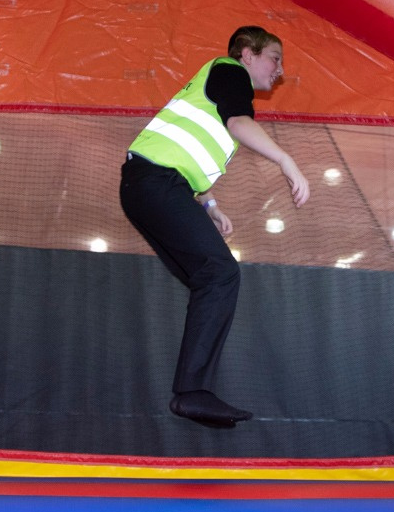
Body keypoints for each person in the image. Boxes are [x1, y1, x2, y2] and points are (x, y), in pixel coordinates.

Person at [120, 26, 310, 428]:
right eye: (275, 58)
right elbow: (238, 123)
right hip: (154, 182)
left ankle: (192, 392)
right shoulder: (230, 70)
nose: (279, 70)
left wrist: (209, 204)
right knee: (220, 274)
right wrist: (286, 161)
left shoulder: (221, 84)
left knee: (211, 278)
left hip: (149, 185)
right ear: (248, 54)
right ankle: (192, 392)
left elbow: (188, 153)